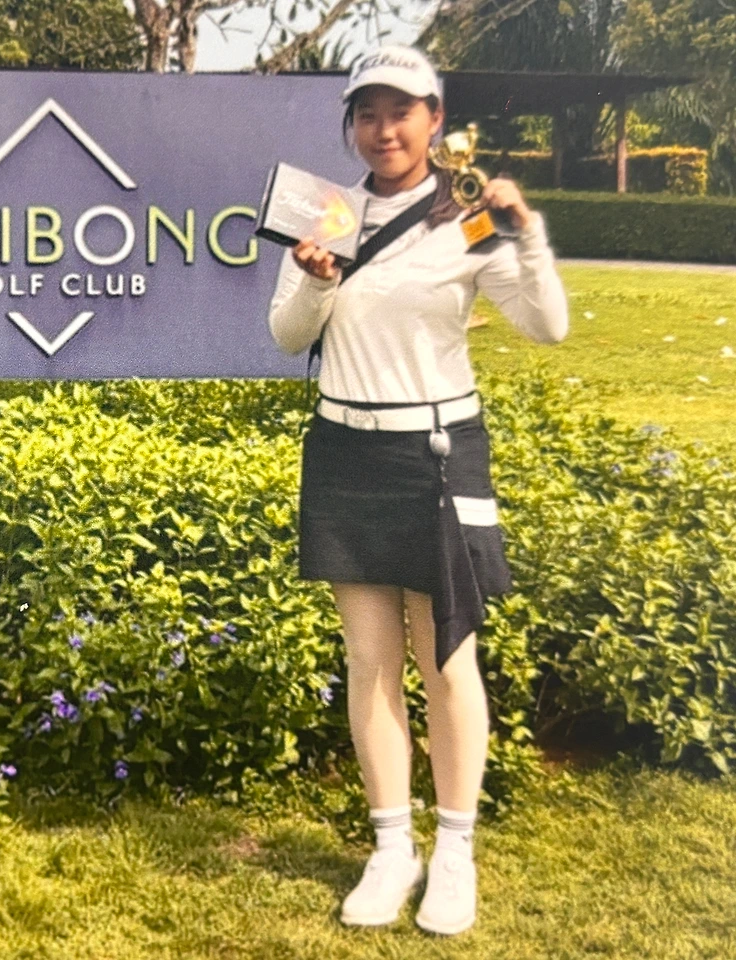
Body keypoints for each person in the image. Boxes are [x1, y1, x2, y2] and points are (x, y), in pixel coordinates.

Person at [266, 44, 568, 936]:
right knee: (370, 662)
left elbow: (546, 325)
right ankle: (392, 847)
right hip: (346, 450)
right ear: (351, 125)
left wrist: (525, 233)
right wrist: (315, 283)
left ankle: (455, 853)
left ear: (435, 121)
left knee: (447, 657)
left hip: (436, 453)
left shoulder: (465, 219)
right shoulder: (327, 215)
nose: (383, 129)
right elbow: (287, 336)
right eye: (367, 113)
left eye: (401, 111)